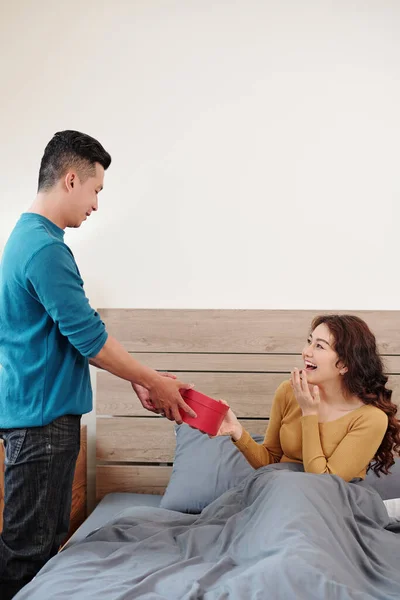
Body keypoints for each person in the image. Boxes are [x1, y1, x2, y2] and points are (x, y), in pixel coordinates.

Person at [0, 130, 196, 599]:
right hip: (42, 426)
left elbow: (78, 334)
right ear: (71, 180)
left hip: (34, 418)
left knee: (38, 554)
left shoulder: (27, 238)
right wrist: (152, 381)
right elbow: (89, 337)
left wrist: (135, 380)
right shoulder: (46, 249)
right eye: (96, 190)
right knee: (29, 560)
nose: (96, 205)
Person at [215, 315, 400, 482]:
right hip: (281, 492)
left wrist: (309, 413)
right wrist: (238, 432)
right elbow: (271, 462)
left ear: (344, 364)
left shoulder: (371, 418)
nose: (306, 352)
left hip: (333, 502)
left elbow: (324, 482)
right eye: (309, 342)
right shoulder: (288, 391)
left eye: (319, 346)